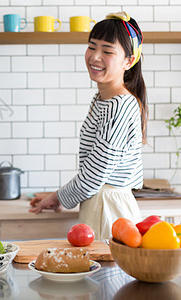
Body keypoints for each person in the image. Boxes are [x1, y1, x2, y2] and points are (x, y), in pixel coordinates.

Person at [29, 12, 148, 240]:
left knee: (108, 275)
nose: (95, 57)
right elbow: (93, 172)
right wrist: (58, 195)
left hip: (109, 210)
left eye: (107, 51)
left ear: (129, 60)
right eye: (92, 47)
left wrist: (57, 197)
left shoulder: (119, 106)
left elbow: (94, 175)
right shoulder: (103, 100)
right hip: (101, 204)